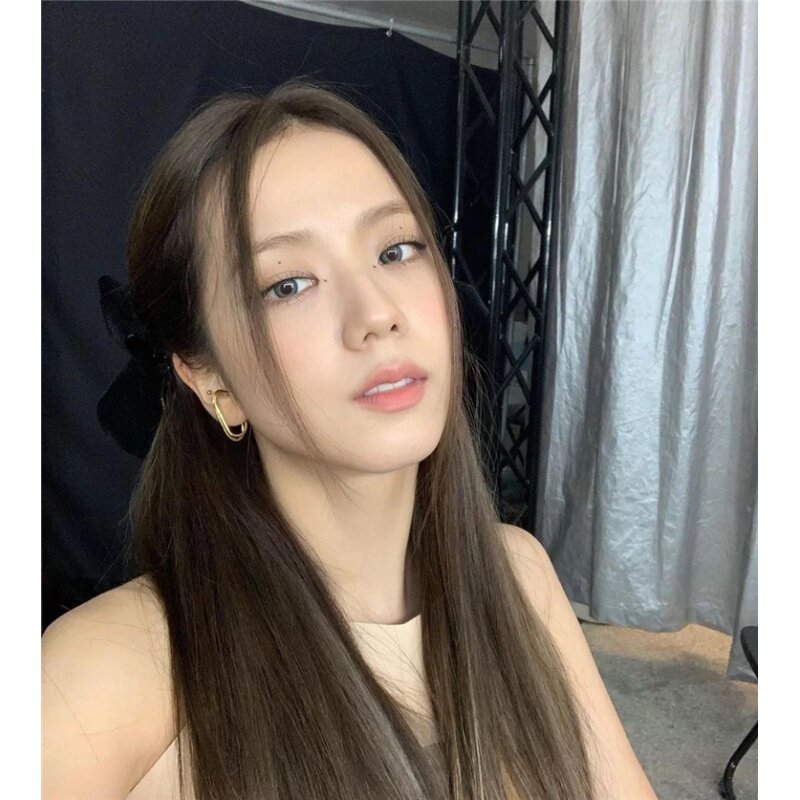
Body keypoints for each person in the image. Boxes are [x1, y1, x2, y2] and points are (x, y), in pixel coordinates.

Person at [41, 80, 658, 800]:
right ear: (210, 379)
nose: (376, 314)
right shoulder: (107, 676)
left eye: (396, 249)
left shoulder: (518, 576)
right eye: (288, 285)